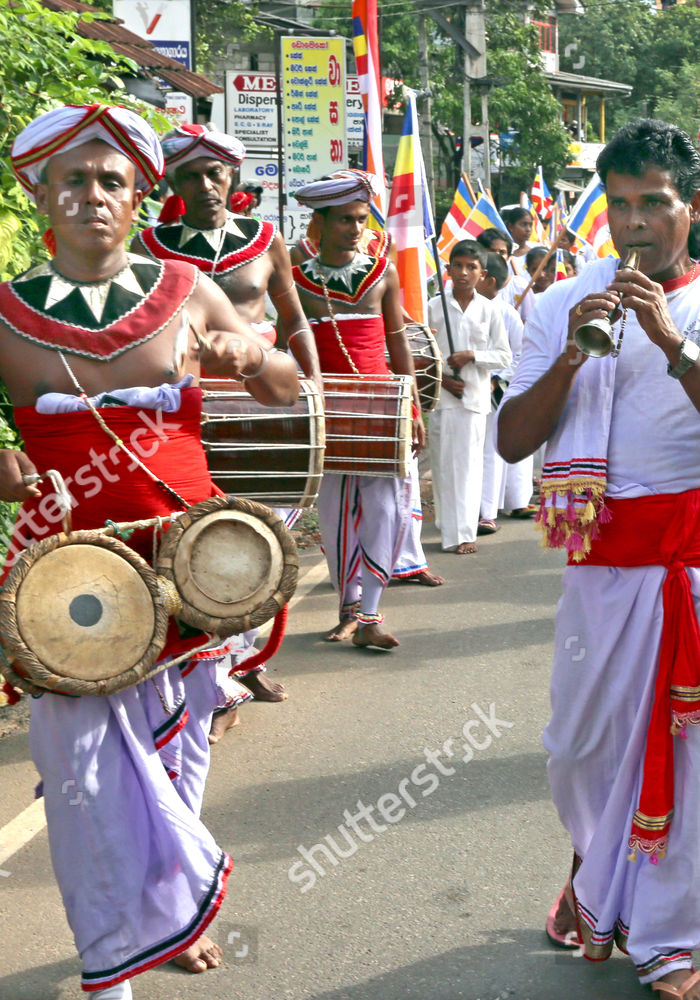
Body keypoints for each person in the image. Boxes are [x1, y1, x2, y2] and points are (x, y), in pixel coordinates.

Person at [0, 104, 299, 999]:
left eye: (112, 182)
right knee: (83, 775)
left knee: (180, 745)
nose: (92, 196)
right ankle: (116, 955)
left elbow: (285, 390)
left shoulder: (189, 291)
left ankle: (168, 909)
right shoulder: (2, 312)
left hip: (191, 563)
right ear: (40, 194)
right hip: (64, 576)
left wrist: (250, 353)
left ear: (140, 200)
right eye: (74, 180)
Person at [499, 118, 700, 1000]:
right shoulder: (560, 302)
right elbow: (511, 441)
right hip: (598, 558)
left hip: (696, 556)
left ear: (691, 206)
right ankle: (595, 883)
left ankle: (665, 940)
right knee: (579, 749)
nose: (634, 225)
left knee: (693, 755)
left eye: (654, 204)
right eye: (619, 207)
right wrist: (572, 358)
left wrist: (674, 345)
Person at [136, 124, 321, 740]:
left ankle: (240, 663)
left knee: (258, 534)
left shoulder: (266, 241)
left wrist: (313, 388)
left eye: (215, 174)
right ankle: (217, 677)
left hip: (265, 405)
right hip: (183, 411)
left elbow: (294, 319)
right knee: (199, 537)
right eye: (190, 175)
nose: (206, 185)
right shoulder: (151, 246)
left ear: (233, 179)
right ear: (173, 183)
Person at [291, 171, 425, 649]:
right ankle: (347, 608)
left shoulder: (382, 272)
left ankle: (371, 615)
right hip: (325, 411)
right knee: (332, 512)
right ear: (320, 223)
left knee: (386, 508)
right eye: (345, 219)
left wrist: (411, 407)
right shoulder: (293, 275)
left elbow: (396, 340)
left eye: (362, 219)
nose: (355, 228)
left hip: (382, 408)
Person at [432, 241, 510, 553]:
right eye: (458, 266)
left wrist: (472, 355)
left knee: (467, 468)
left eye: (471, 267)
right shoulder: (432, 306)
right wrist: (442, 379)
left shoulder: (490, 310)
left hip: (474, 400)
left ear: (482, 273)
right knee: (442, 467)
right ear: (448, 269)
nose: (463, 273)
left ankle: (463, 534)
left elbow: (504, 356)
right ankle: (447, 527)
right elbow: (420, 351)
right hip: (440, 399)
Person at [479, 252, 533, 533]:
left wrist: (496, 379)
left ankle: (487, 512)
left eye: (476, 271)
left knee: (490, 450)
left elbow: (519, 355)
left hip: (495, 390)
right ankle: (469, 508)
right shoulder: (461, 307)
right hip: (464, 388)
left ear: (489, 281)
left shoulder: (507, 312)